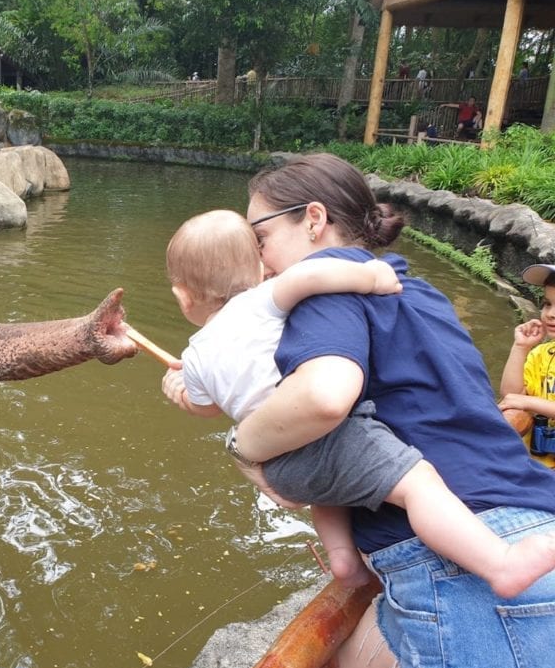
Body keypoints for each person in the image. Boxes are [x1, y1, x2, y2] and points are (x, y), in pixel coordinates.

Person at [233, 152, 555, 668]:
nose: (259, 258)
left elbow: (327, 395)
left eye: (262, 236)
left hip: (467, 578)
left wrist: (245, 445)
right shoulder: (420, 290)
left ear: (314, 220)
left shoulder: (324, 287)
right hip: (528, 527)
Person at [161, 208, 555, 598]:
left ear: (182, 297)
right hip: (326, 438)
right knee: (417, 485)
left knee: (328, 490)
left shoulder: (194, 355)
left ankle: (343, 560)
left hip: (279, 464)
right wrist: (370, 276)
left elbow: (207, 406)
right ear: (260, 269)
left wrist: (179, 388)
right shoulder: (263, 300)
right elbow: (312, 276)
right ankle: (499, 563)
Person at [499, 263, 555, 468]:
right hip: (537, 467)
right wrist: (521, 348)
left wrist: (530, 403)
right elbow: (511, 395)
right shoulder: (541, 354)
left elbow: (522, 401)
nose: (550, 314)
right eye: (547, 304)